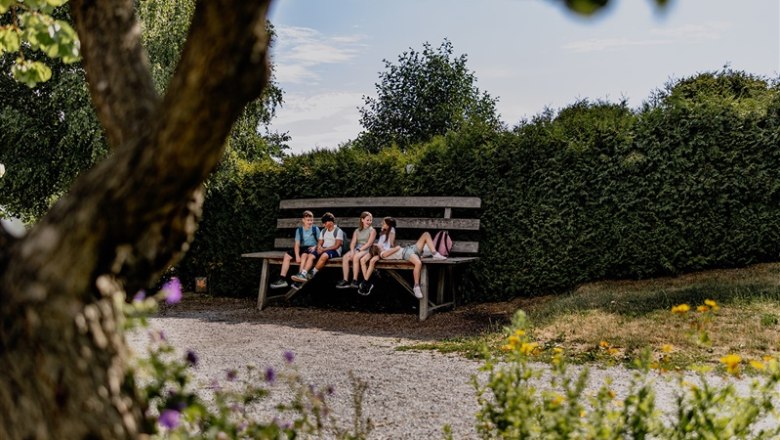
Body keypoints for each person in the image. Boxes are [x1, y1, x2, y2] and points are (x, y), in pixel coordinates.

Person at [362, 226, 447, 298]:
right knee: (418, 263)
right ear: (377, 248)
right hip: (406, 253)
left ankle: (435, 253)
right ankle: (416, 286)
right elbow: (397, 248)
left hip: (410, 249)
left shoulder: (383, 252)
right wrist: (396, 247)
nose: (379, 244)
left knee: (426, 234)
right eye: (377, 244)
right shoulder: (383, 254)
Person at [270, 210, 318, 289]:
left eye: (311, 220)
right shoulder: (299, 230)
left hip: (311, 248)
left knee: (304, 256)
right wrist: (296, 256)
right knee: (287, 255)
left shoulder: (315, 229)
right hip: (302, 248)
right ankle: (282, 279)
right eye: (308, 220)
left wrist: (315, 247)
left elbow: (320, 241)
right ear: (303, 220)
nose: (310, 222)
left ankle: (299, 279)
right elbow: (297, 244)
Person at [291, 212, 345, 283]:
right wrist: (319, 247)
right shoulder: (323, 231)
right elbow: (320, 242)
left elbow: (336, 246)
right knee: (311, 255)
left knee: (324, 255)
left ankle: (312, 273)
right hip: (324, 249)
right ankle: (303, 274)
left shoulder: (338, 231)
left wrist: (324, 249)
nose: (323, 225)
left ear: (330, 222)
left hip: (334, 250)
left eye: (325, 223)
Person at [336, 212, 377, 289]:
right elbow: (353, 243)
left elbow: (369, 243)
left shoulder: (372, 231)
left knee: (356, 257)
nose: (369, 222)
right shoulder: (357, 231)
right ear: (362, 220)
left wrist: (358, 250)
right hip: (357, 248)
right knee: (345, 257)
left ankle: (355, 280)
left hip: (367, 249)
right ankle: (345, 280)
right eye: (367, 220)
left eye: (370, 220)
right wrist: (352, 251)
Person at [358, 217, 397, 295]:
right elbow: (380, 243)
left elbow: (391, 245)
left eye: (384, 223)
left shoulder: (392, 230)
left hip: (383, 252)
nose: (382, 224)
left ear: (389, 225)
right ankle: (368, 282)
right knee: (362, 260)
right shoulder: (383, 232)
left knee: (372, 261)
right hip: (376, 250)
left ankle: (364, 282)